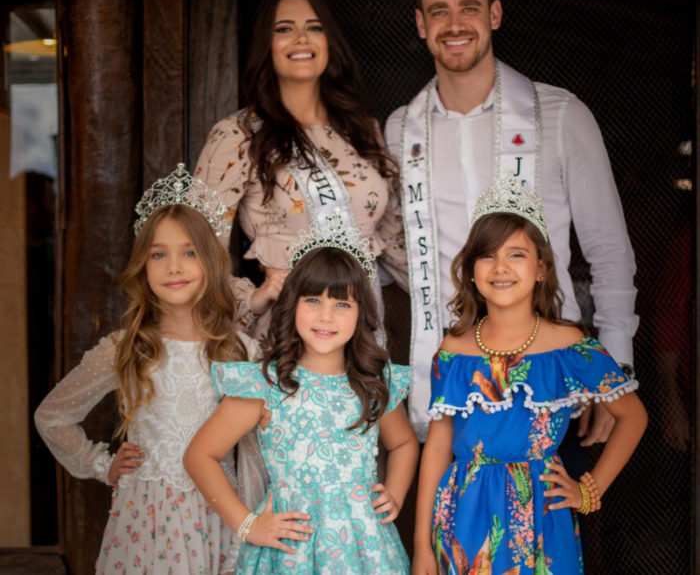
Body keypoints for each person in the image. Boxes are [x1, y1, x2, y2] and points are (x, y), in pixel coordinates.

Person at [384, 0, 638, 442]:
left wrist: (615, 371)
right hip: (447, 381)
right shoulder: (399, 130)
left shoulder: (560, 115)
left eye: (469, 8)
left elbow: (609, 251)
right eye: (439, 11)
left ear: (495, 14)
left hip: (550, 380)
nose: (454, 24)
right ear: (420, 24)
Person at [412, 176, 647, 574]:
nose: (500, 267)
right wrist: (421, 546)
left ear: (540, 269)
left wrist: (589, 491)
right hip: (463, 518)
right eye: (487, 255)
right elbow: (437, 448)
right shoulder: (453, 350)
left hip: (540, 514)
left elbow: (633, 417)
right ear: (471, 271)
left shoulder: (569, 345)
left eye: (516, 254)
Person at [34, 164, 263, 574]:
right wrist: (101, 464)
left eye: (189, 252)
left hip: (218, 517)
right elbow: (51, 416)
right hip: (146, 524)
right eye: (158, 254)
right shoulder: (125, 348)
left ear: (211, 262)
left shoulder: (239, 350)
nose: (173, 267)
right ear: (142, 265)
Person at [184, 238, 419, 574]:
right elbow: (199, 456)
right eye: (313, 300)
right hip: (292, 553)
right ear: (292, 305)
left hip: (365, 549)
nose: (326, 316)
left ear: (361, 313)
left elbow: (404, 443)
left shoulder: (372, 383)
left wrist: (394, 493)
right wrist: (248, 525)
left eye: (342, 304)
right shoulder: (265, 385)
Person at [195, 0, 407, 340]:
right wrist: (255, 297)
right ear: (266, 45)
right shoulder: (238, 135)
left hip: (363, 337)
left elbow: (395, 241)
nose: (301, 39)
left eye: (314, 27)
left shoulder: (362, 129)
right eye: (284, 29)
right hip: (289, 338)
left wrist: (461, 297)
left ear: (329, 41)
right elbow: (196, 254)